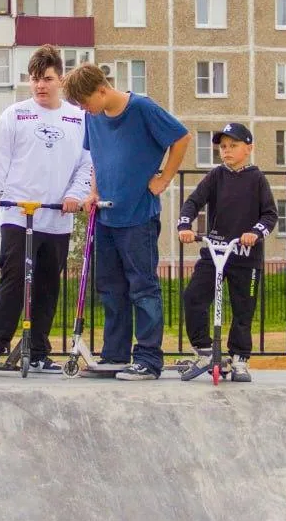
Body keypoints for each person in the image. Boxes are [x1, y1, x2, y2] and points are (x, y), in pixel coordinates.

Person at [63, 63, 191, 381]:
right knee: (110, 288)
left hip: (137, 215)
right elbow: (96, 158)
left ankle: (148, 359)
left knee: (142, 287)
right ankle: (115, 356)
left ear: (102, 90)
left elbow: (182, 137)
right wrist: (92, 192)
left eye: (84, 102)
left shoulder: (142, 108)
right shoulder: (92, 117)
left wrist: (164, 179)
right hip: (105, 214)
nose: (83, 109)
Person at [0, 45, 92, 371]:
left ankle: (38, 350)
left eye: (48, 79)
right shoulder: (15, 114)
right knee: (14, 278)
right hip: (17, 212)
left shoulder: (78, 118)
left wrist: (75, 195)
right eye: (35, 79)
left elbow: (86, 165)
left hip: (57, 216)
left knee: (47, 285)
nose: (41, 85)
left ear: (61, 79)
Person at [176, 123, 277, 383]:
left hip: (246, 256)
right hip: (216, 251)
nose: (227, 151)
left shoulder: (256, 178)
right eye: (223, 147)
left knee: (244, 309)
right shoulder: (216, 176)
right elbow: (193, 202)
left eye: (233, 146)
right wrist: (185, 225)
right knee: (193, 297)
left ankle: (240, 358)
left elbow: (270, 215)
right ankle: (207, 350)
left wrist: (254, 233)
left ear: (249, 148)